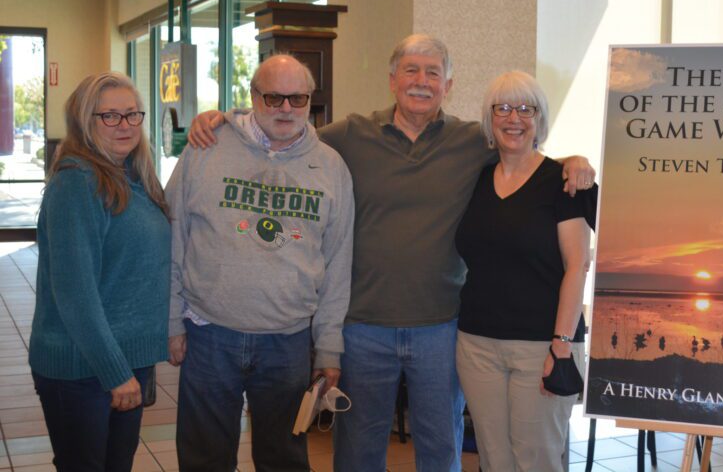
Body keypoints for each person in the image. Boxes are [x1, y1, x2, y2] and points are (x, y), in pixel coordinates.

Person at [187, 34, 595, 472]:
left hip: (442, 326)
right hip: (363, 327)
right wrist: (226, 120)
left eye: (433, 73)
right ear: (392, 79)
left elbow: (524, 151)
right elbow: (285, 130)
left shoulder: (472, 141)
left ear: (449, 84)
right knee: (358, 452)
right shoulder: (350, 134)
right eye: (411, 70)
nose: (421, 81)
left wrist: (574, 160)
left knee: (441, 451)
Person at [167, 54, 354, 472]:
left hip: (287, 341)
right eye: (273, 97)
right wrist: (172, 321)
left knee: (283, 460)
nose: (286, 109)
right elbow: (173, 237)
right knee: (204, 459)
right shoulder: (205, 148)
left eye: (297, 98)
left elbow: (339, 265)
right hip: (209, 333)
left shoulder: (331, 168)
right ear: (253, 96)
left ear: (310, 101)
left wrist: (329, 347)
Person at [455, 71, 596, 472]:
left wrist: (561, 344)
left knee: (537, 460)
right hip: (476, 343)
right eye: (502, 108)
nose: (513, 118)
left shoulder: (564, 183)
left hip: (543, 346)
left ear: (540, 119)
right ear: (489, 118)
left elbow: (577, 266)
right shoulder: (478, 179)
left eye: (525, 109)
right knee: (494, 458)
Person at [29, 73, 171, 472]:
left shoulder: (134, 177)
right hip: (84, 369)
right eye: (109, 116)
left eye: (132, 115)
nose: (125, 125)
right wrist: (115, 373)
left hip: (121, 364)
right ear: (83, 122)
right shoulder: (78, 184)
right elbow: (75, 295)